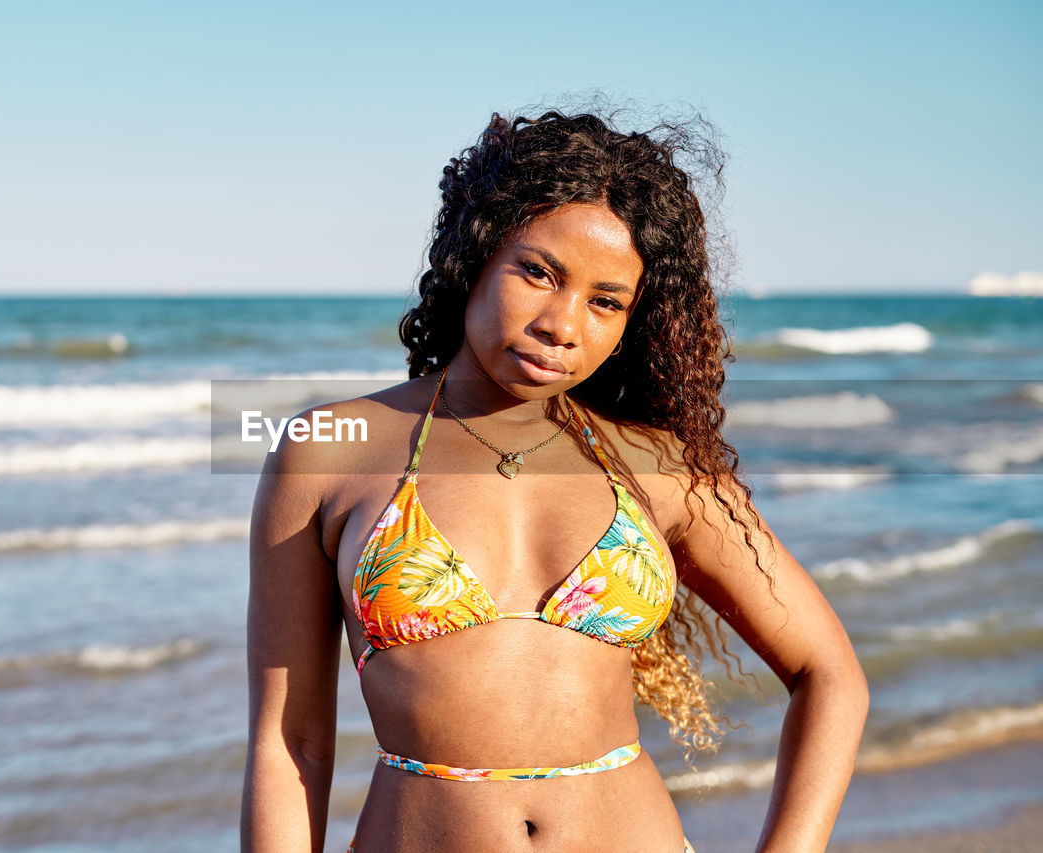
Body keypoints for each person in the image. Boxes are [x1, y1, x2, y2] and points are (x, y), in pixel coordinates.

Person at [242, 107, 869, 852]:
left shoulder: (659, 470)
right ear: (475, 252)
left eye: (606, 301)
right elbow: (293, 744)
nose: (563, 324)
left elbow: (830, 673)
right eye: (539, 273)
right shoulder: (328, 450)